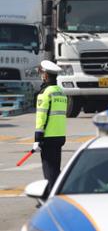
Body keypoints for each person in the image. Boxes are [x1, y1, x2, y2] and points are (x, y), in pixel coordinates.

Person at [34, 60, 67, 197]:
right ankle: (58, 192)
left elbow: (41, 117)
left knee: (49, 169)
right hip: (60, 136)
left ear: (46, 76)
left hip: (47, 137)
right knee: (55, 167)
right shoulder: (61, 92)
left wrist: (37, 138)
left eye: (42, 74)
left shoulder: (45, 93)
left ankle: (52, 197)